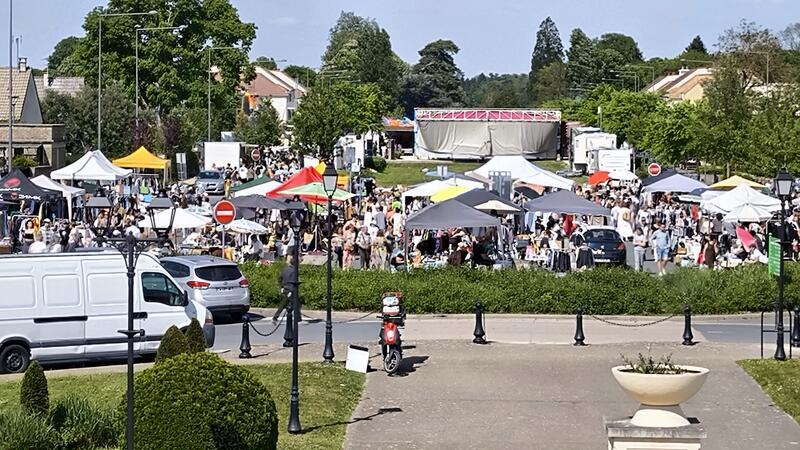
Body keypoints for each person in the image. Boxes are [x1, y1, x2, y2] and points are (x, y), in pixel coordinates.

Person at [272, 255, 296, 322]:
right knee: (293, 303)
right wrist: (291, 291)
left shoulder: (284, 269)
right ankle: (275, 316)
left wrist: (281, 287)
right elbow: (293, 281)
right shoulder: (294, 271)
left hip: (284, 288)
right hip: (291, 289)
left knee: (284, 303)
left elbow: (280, 278)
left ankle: (276, 316)